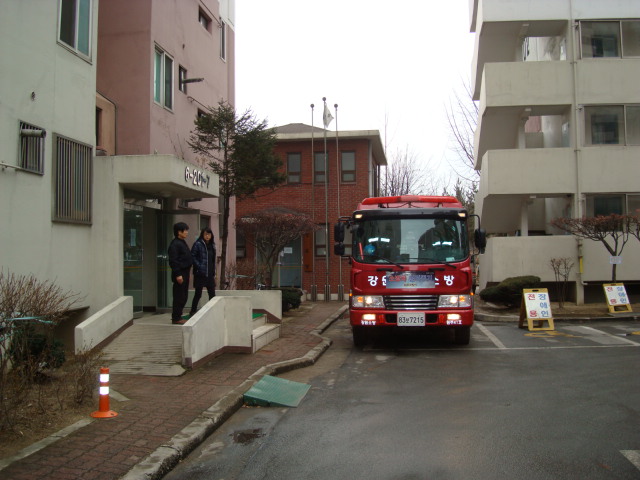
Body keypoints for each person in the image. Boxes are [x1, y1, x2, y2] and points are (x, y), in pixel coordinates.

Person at [168, 222, 192, 325]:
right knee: (179, 296)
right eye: (185, 230)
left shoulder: (182, 242)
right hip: (180, 273)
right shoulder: (175, 244)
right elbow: (173, 261)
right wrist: (178, 274)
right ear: (179, 232)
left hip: (185, 272)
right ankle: (176, 318)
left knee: (184, 296)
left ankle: (179, 315)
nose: (187, 232)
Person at [189, 227, 216, 316]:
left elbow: (213, 260)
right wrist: (199, 266)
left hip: (210, 273)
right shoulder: (198, 244)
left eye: (209, 234)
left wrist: (214, 272)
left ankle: (212, 312)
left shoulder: (212, 245)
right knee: (198, 294)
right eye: (205, 234)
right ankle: (193, 311)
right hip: (200, 273)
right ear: (202, 235)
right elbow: (192, 256)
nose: (207, 236)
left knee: (212, 293)